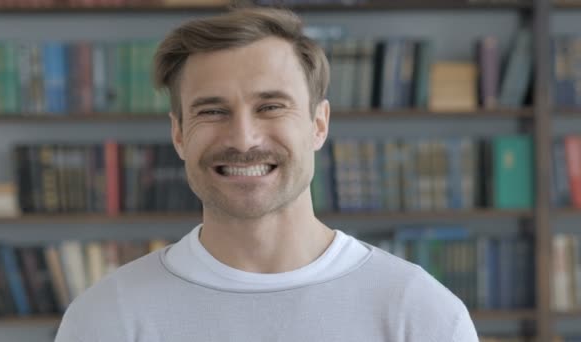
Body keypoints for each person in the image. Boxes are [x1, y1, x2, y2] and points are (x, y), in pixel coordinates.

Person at [55, 7, 479, 341]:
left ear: (318, 124)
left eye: (271, 107)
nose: (243, 138)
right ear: (179, 134)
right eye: (213, 110)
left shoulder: (420, 315)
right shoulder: (107, 318)